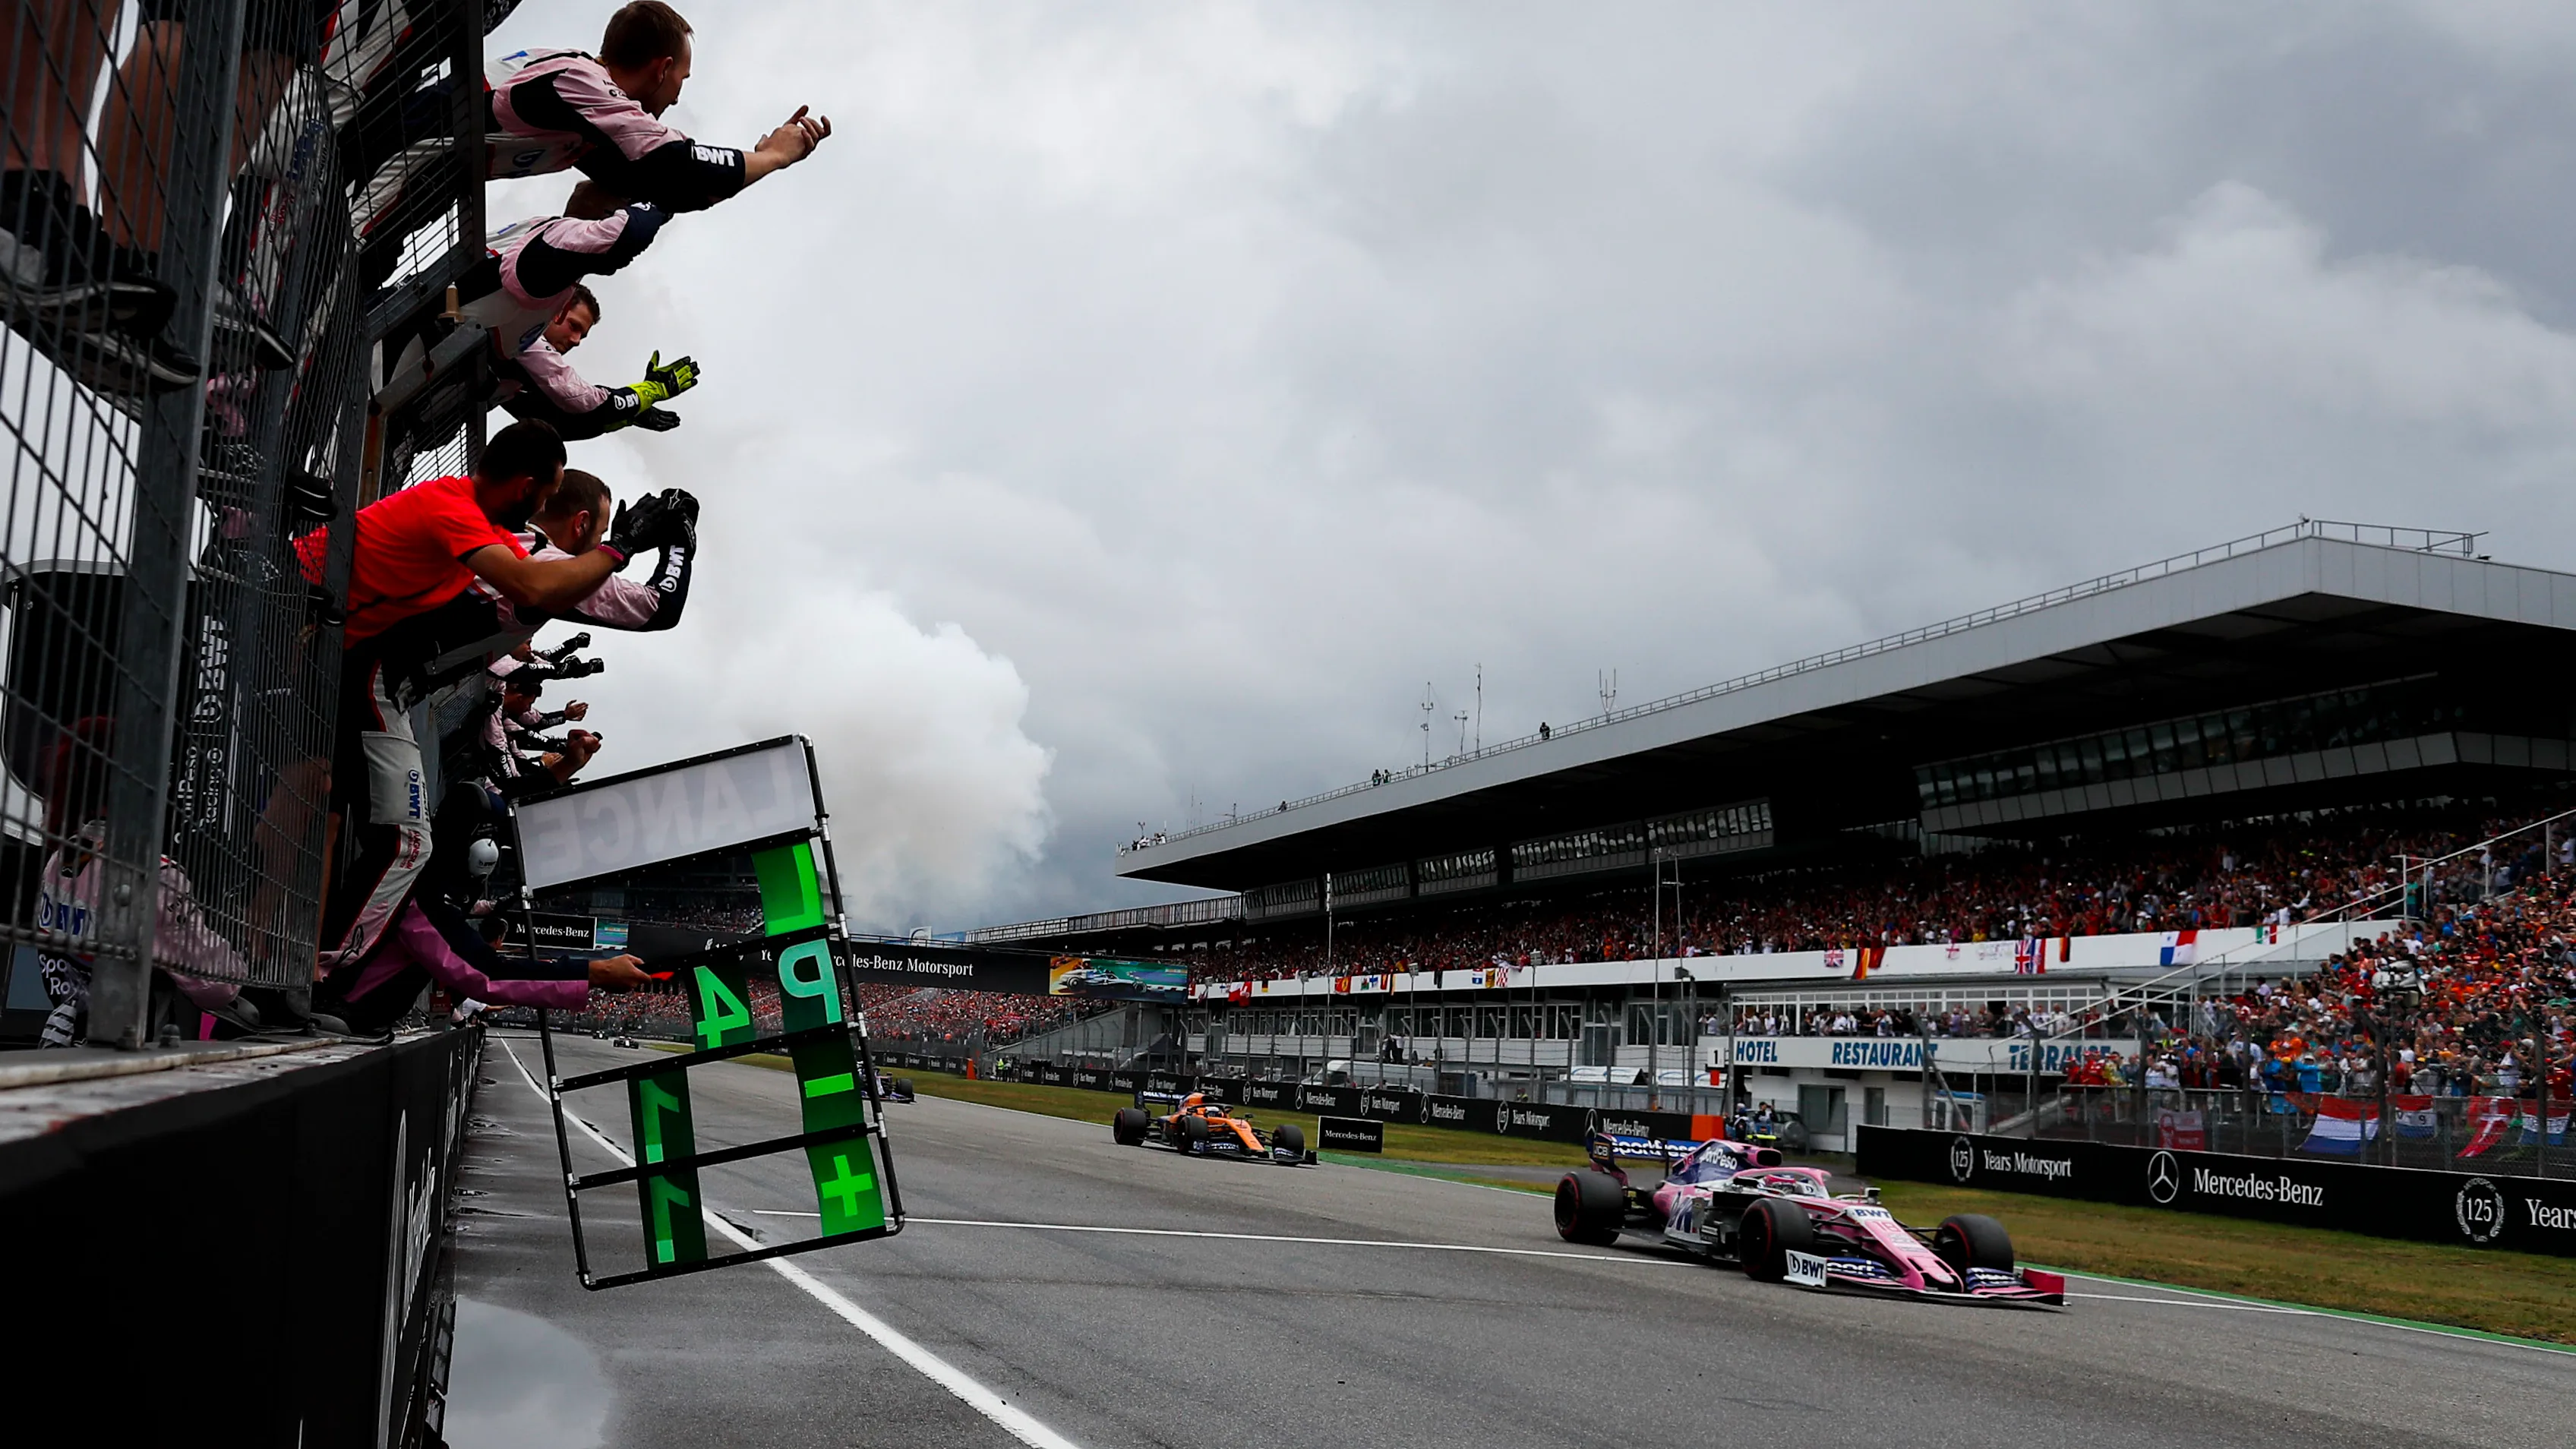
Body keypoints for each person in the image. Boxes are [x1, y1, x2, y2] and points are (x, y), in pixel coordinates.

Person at [293, 419, 694, 972]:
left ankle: (286, 959)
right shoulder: (537, 556)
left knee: (323, 816)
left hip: (364, 665)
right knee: (407, 842)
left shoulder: (504, 537)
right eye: (596, 533)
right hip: (373, 674)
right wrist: (673, 544)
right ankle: (324, 972)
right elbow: (657, 608)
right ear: (580, 524)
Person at [485, 2, 832, 210]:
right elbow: (677, 163)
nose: (677, 97)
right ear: (663, 69)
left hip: (433, 167)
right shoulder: (584, 81)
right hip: (432, 145)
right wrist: (775, 156)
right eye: (682, 79)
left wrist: (758, 162)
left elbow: (676, 188)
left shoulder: (583, 106)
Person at [495, 285, 696, 438]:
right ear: (555, 310)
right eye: (573, 326)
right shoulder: (526, 336)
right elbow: (583, 400)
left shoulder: (523, 365)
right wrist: (649, 391)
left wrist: (625, 416)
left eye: (582, 336)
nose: (576, 341)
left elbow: (555, 423)